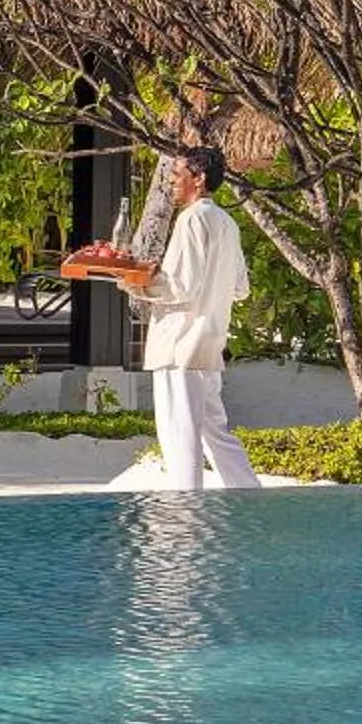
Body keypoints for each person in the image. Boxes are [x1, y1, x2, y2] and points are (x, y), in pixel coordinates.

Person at [142, 145, 260, 491]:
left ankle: (185, 518)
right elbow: (240, 288)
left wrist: (141, 284)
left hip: (180, 345)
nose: (171, 182)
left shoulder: (191, 219)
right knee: (216, 436)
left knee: (181, 440)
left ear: (199, 179)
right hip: (209, 345)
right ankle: (250, 500)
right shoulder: (227, 222)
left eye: (177, 175)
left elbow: (182, 287)